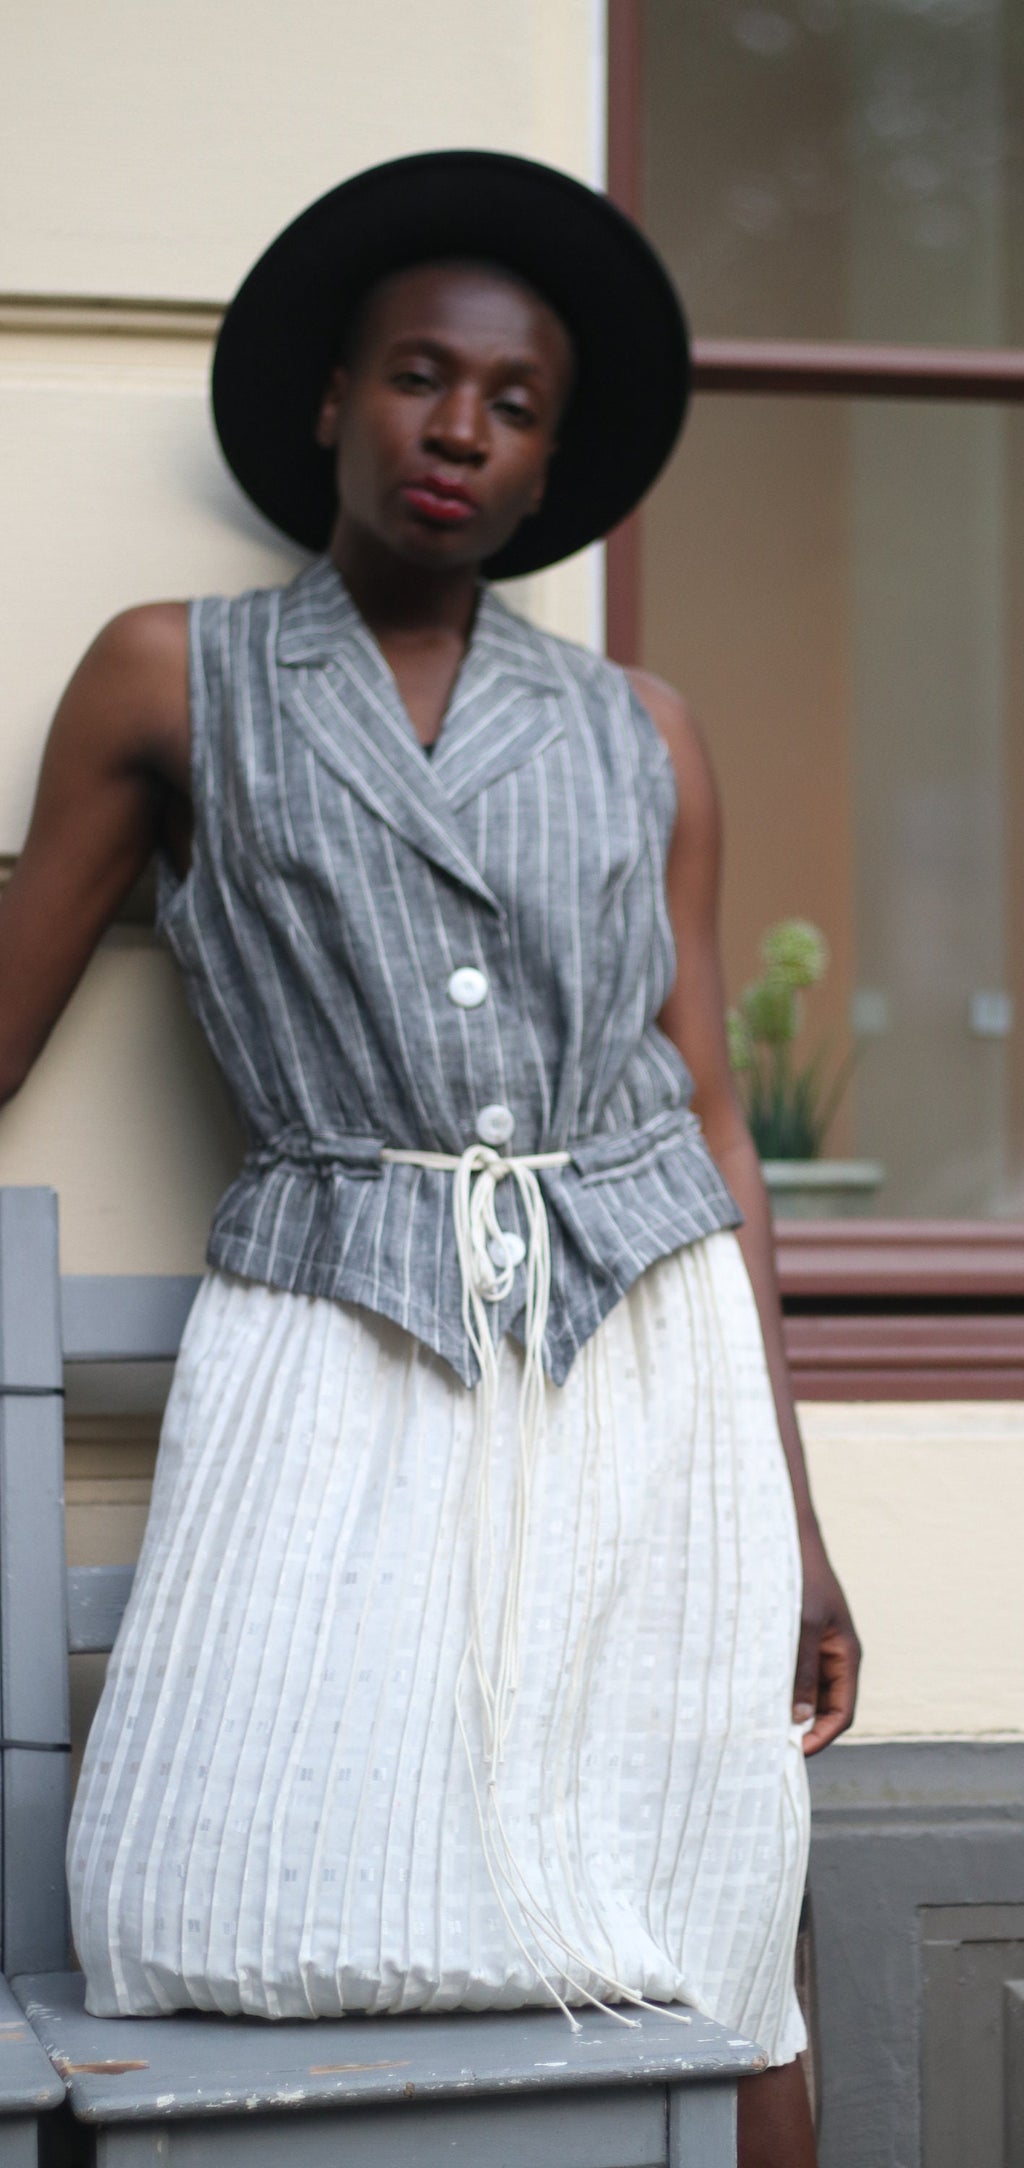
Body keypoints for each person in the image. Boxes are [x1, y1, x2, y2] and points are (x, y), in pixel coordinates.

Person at [0, 151, 859, 2166]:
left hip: (643, 1365)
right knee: (203, 1898)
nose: (458, 427)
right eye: (417, 375)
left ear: (554, 465)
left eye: (514, 401)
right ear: (328, 400)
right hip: (337, 1332)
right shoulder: (172, 674)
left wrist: (801, 1523)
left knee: (706, 1918)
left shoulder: (646, 730)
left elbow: (711, 1118)